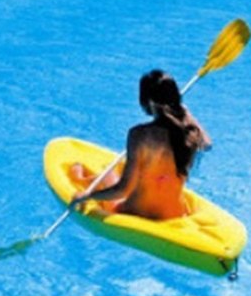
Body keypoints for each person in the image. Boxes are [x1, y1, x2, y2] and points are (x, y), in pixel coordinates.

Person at [68, 69, 212, 220]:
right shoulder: (191, 134)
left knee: (107, 174)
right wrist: (186, 113)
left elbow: (123, 190)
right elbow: (207, 145)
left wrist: (88, 196)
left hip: (136, 212)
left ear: (148, 101)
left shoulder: (139, 135)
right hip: (173, 215)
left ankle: (81, 181)